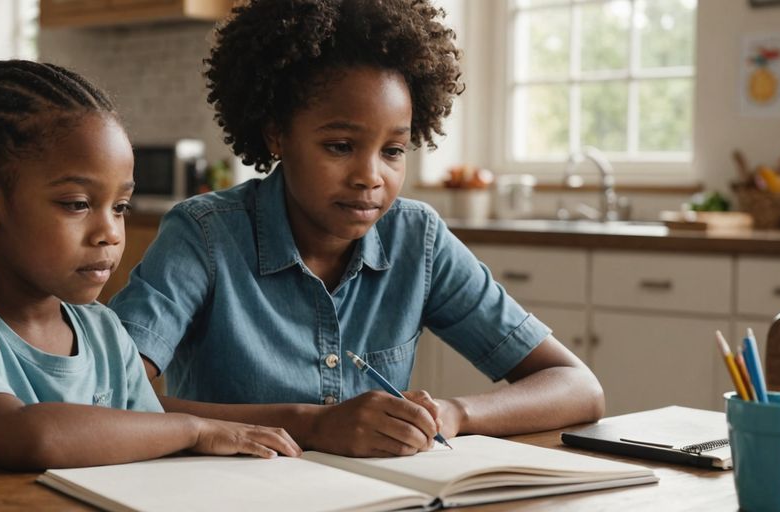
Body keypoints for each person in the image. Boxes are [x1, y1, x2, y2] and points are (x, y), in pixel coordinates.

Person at [109, 0, 605, 458]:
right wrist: (312, 425)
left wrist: (453, 414)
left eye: (393, 151)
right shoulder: (204, 235)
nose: (371, 176)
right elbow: (107, 395)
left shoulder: (418, 240)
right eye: (340, 146)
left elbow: (577, 386)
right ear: (277, 134)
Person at [0, 60, 300, 477]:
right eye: (77, 204)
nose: (109, 232)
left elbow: (149, 456)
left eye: (121, 206)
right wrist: (194, 428)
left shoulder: (104, 332)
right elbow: (29, 437)